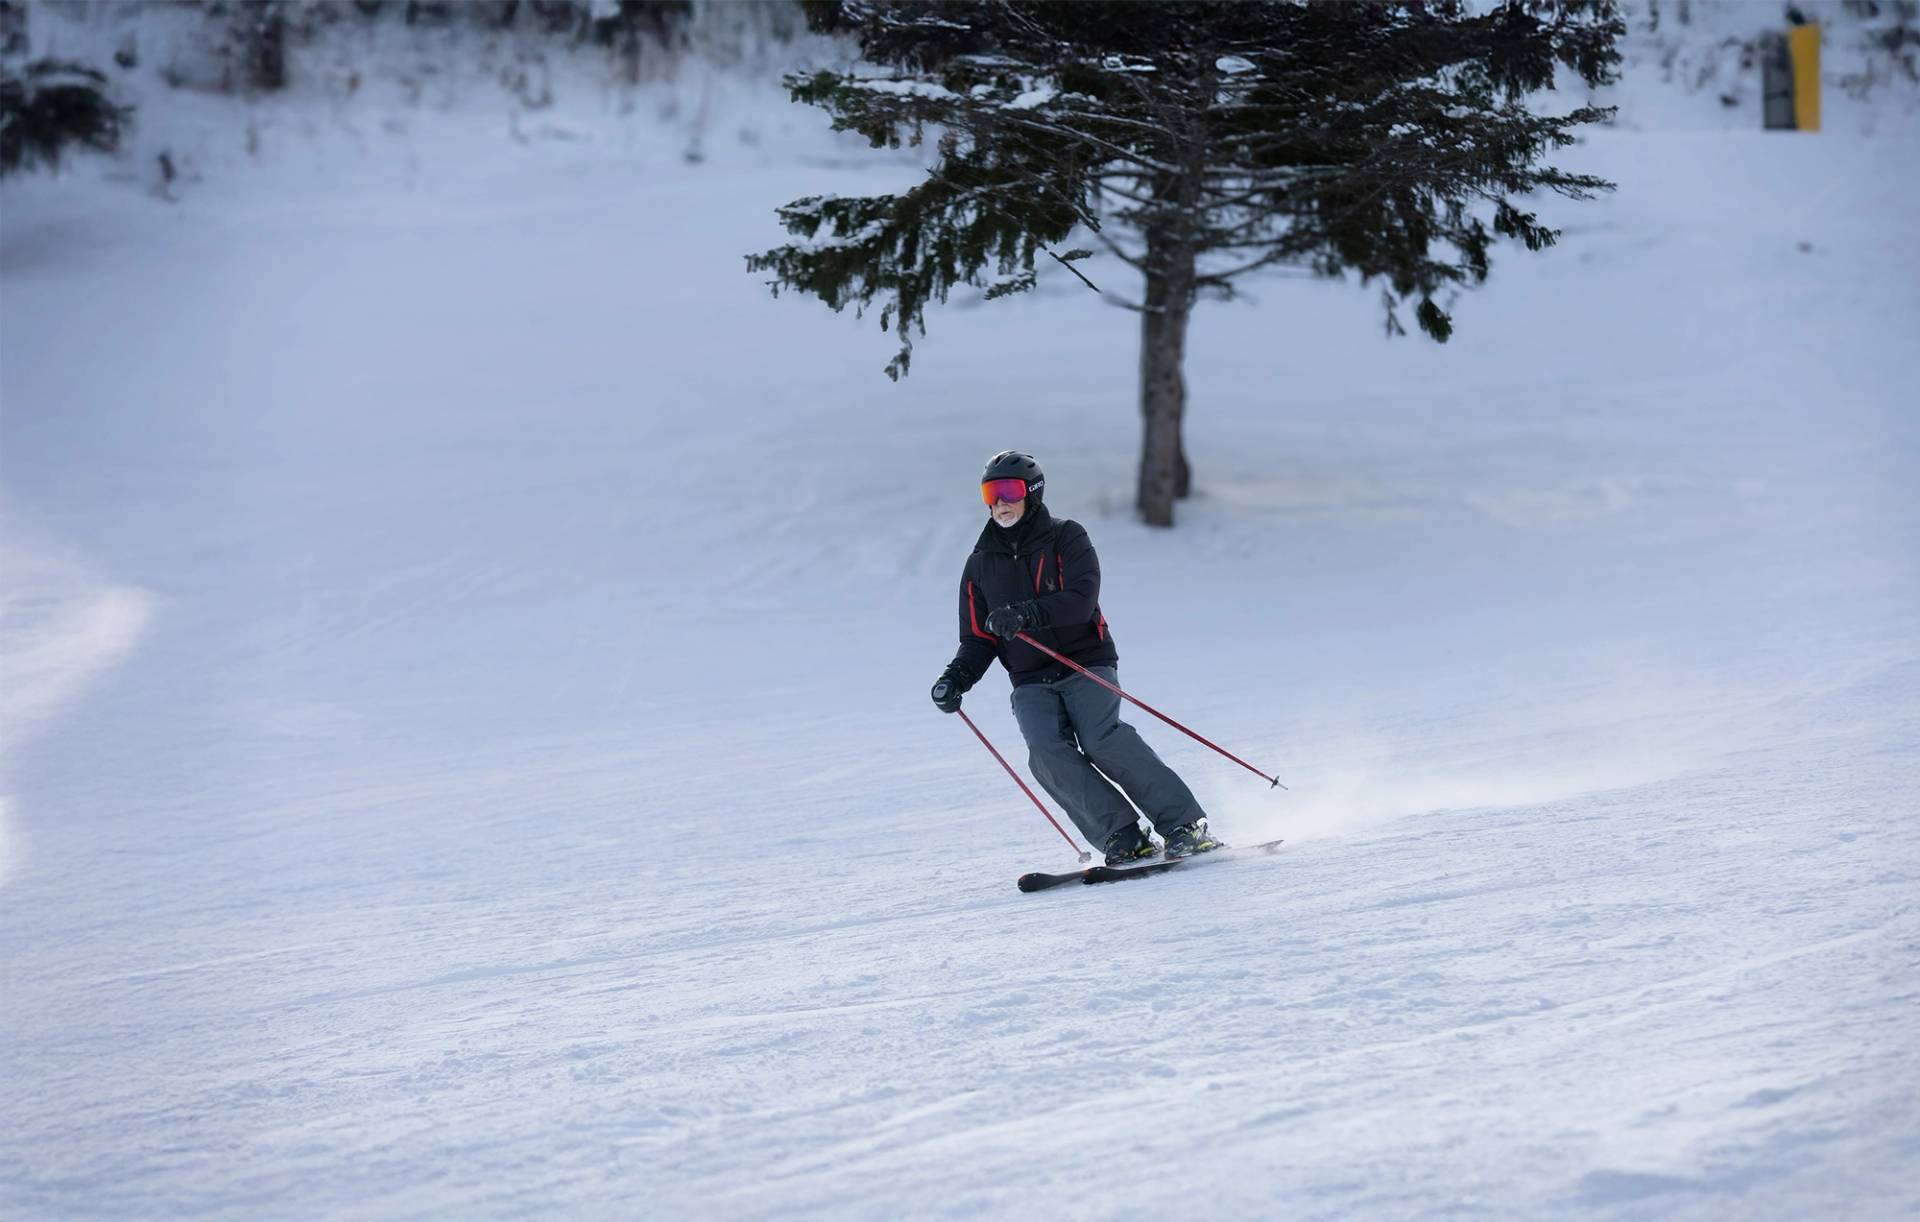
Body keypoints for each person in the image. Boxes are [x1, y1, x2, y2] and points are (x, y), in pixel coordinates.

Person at [930, 451, 1220, 865]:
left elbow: (1080, 602)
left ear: (1032, 492)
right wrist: (955, 678)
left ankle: (1184, 824)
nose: (999, 503)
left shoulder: (1066, 537)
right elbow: (978, 639)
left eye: (1008, 491)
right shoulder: (979, 565)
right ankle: (1122, 835)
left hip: (1083, 661)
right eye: (990, 493)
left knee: (1102, 738)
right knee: (1046, 753)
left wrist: (1025, 614)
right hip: (1030, 678)